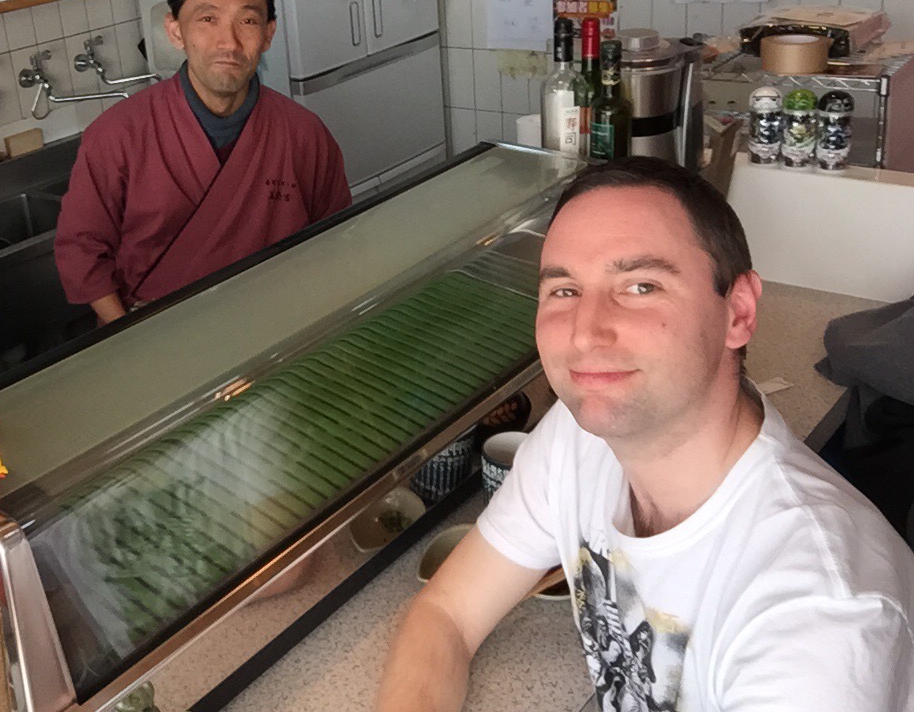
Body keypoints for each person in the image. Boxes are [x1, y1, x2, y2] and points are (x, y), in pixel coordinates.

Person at [379, 157, 914, 712]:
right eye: (564, 290)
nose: (585, 334)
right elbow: (446, 612)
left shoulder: (821, 620)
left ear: (738, 312)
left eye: (640, 286)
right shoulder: (578, 439)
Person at [55, 0, 352, 325]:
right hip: (152, 331)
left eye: (247, 21)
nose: (228, 42)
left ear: (268, 34)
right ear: (175, 31)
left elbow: (335, 241)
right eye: (208, 19)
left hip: (275, 325)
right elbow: (81, 249)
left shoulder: (304, 136)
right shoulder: (117, 135)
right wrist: (128, 336)